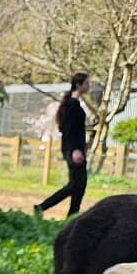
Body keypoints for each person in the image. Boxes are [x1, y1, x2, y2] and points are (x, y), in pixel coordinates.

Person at [34, 73, 90, 219]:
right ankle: (42, 207)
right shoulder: (72, 105)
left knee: (79, 186)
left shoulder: (74, 104)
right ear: (78, 84)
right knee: (75, 185)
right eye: (86, 83)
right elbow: (67, 129)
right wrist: (75, 150)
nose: (89, 86)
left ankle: (71, 218)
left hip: (76, 149)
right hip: (73, 150)